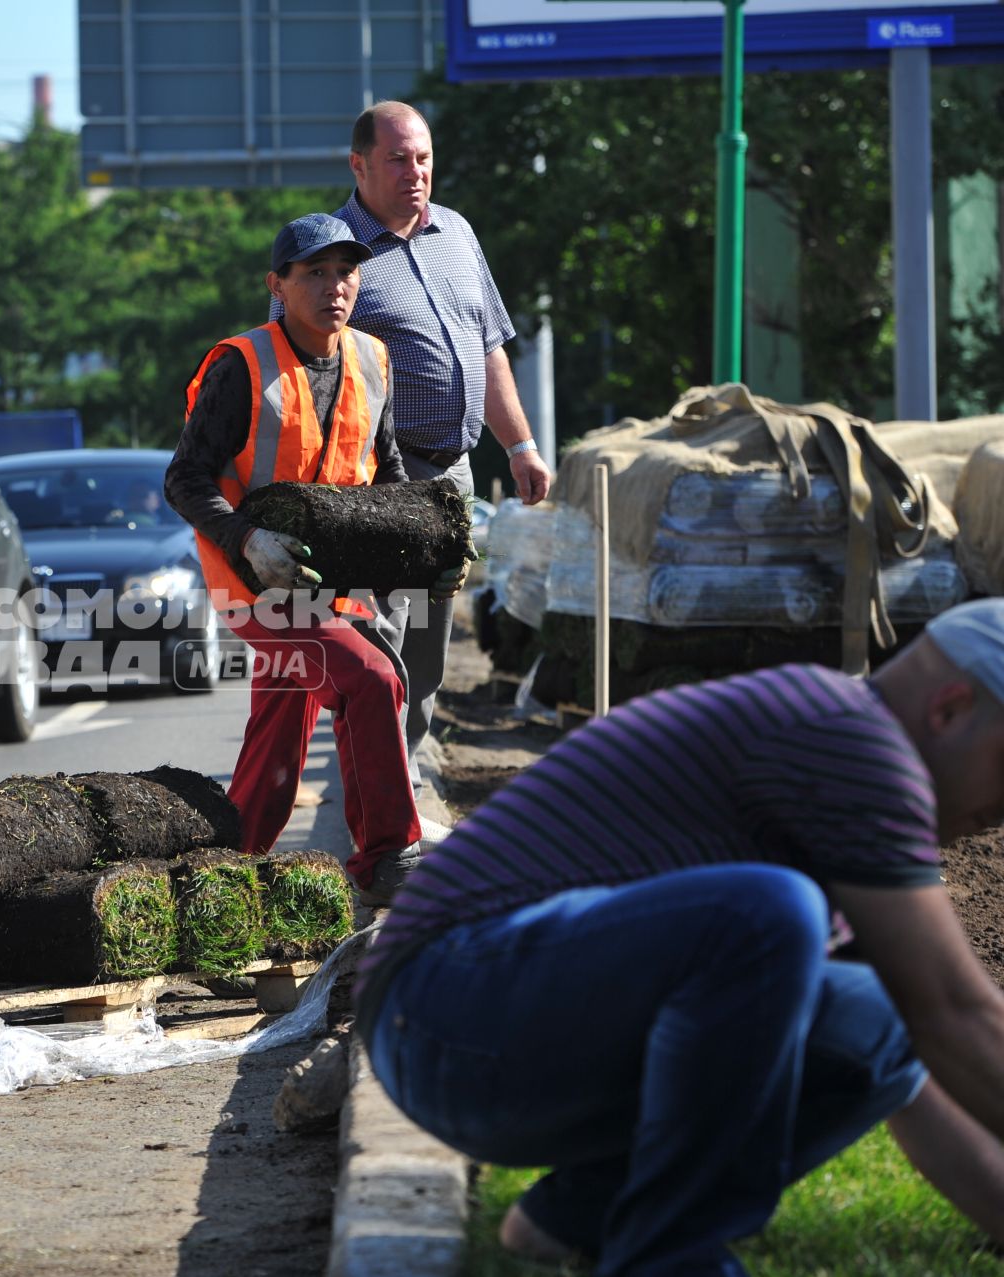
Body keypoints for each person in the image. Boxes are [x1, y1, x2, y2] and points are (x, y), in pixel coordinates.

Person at [360, 598, 1004, 1275]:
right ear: (951, 707)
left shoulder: (847, 753)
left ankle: (574, 1220)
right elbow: (957, 1010)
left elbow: (916, 1062)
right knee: (768, 913)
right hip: (440, 1001)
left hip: (465, 1027)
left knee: (875, 1020)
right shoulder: (855, 739)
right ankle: (670, 1258)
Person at [165, 213, 461, 902]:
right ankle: (389, 856)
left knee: (280, 729)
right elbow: (184, 478)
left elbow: (387, 481)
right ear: (278, 284)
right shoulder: (241, 364)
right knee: (370, 675)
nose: (336, 286)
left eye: (347, 271)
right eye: (316, 273)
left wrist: (428, 552)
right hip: (256, 581)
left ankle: (226, 873)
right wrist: (247, 539)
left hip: (335, 584)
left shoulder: (371, 358)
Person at [288, 101, 554, 789]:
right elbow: (301, 369)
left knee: (431, 652)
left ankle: (402, 779)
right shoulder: (333, 250)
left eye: (424, 158)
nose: (416, 173)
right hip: (379, 483)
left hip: (454, 478)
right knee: (384, 646)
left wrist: (520, 444)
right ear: (359, 165)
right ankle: (374, 801)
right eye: (399, 159)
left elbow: (488, 350)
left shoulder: (456, 233)